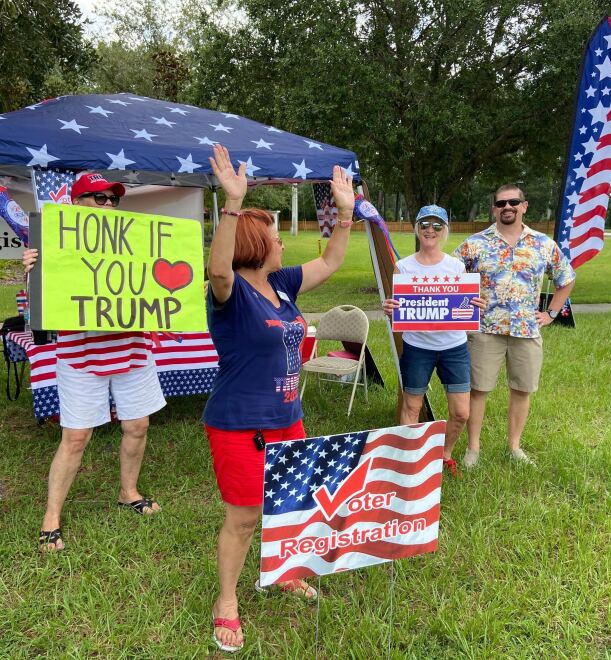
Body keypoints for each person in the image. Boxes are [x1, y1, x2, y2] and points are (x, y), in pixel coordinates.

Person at [204, 144, 355, 653]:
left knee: (290, 505)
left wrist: (346, 212)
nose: (283, 244)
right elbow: (219, 271)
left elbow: (332, 258)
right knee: (244, 516)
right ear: (255, 243)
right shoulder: (231, 297)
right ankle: (226, 602)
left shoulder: (282, 285)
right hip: (240, 422)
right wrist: (231, 204)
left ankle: (286, 572)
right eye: (274, 236)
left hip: (288, 417)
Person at [23, 172, 166, 552]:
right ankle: (51, 516)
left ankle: (128, 492)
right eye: (97, 198)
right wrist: (33, 272)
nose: (107, 205)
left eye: (112, 199)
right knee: (75, 436)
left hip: (132, 348)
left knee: (138, 425)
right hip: (80, 354)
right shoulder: (56, 244)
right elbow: (37, 311)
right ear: (76, 202)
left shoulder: (135, 239)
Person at [453, 184, 575, 466]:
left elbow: (566, 278)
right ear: (494, 208)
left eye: (513, 202)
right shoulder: (475, 243)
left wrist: (552, 313)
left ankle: (514, 446)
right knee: (478, 389)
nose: (507, 207)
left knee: (522, 389)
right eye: (501, 203)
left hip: (526, 330)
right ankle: (473, 449)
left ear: (524, 206)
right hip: (485, 329)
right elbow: (450, 274)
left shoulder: (543, 244)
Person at [381, 205, 486, 475]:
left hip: (454, 346)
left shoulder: (456, 266)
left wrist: (475, 304)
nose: (430, 230)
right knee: (411, 405)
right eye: (425, 224)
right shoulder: (403, 266)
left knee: (461, 412)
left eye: (437, 225)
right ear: (417, 228)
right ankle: (410, 460)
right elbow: (400, 310)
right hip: (418, 346)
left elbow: (465, 302)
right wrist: (392, 308)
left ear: (444, 230)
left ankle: (443, 455)